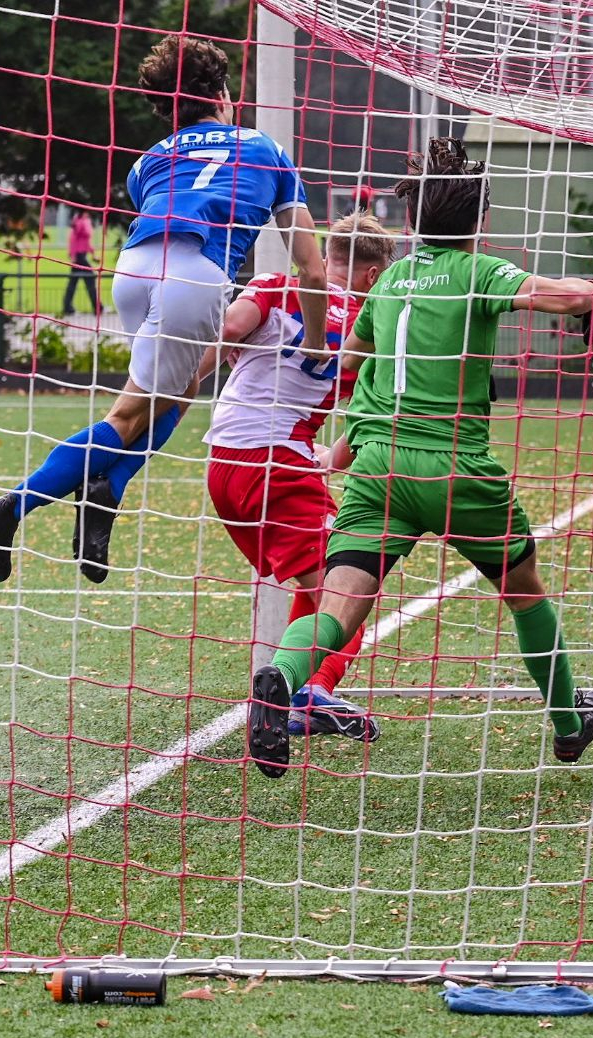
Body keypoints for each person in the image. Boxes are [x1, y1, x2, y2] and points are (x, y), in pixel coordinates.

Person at [246, 138, 593, 779]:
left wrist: (347, 440)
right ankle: (568, 720)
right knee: (525, 593)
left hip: (379, 467)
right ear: (478, 221)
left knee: (340, 606)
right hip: (453, 466)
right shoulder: (480, 272)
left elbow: (354, 360)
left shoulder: (389, 279)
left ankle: (279, 680)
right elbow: (561, 297)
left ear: (415, 219)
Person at [0, 34, 332, 585]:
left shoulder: (149, 159)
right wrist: (313, 340)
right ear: (220, 92)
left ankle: (105, 493)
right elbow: (311, 269)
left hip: (131, 272)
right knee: (128, 416)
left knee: (179, 393)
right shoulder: (266, 149)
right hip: (194, 277)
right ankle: (13, 508)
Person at [200, 212, 396, 742]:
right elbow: (368, 420)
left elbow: (227, 332)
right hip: (279, 465)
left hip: (223, 463)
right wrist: (329, 459)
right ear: (374, 276)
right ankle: (309, 692)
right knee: (347, 587)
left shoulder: (273, 283)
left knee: (316, 585)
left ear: (326, 255)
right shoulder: (368, 323)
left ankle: (307, 691)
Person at [61, 210, 101, 317]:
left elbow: (86, 241)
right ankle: (98, 308)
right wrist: (73, 255)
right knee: (90, 278)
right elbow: (73, 239)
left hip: (81, 255)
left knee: (73, 281)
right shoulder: (78, 222)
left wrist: (93, 254)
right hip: (78, 256)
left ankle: (67, 307)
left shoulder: (86, 221)